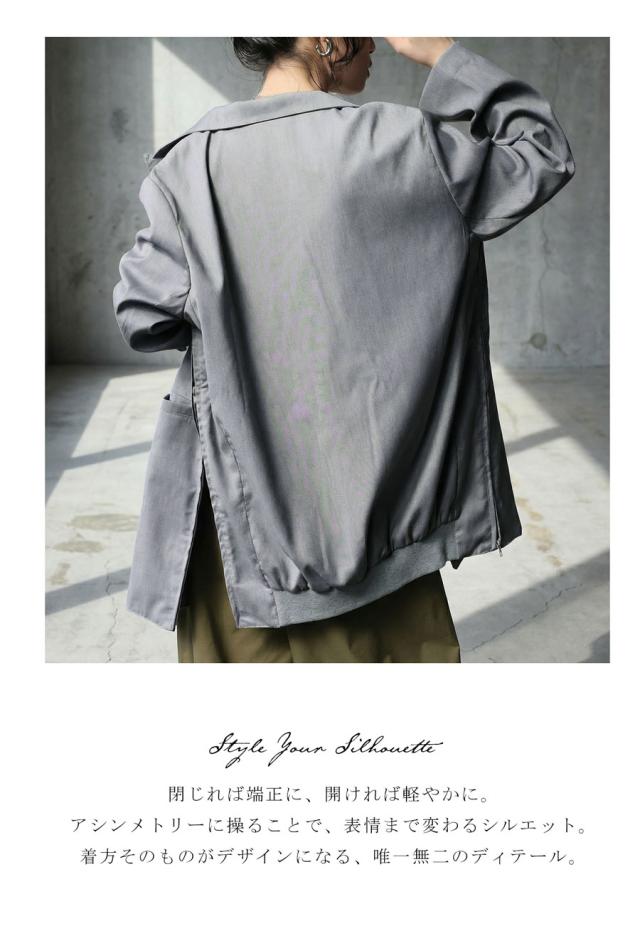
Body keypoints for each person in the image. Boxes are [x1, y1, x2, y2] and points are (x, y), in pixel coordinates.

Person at [113, 37, 575, 664]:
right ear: (324, 34)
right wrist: (441, 52)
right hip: (385, 516)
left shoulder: (190, 165)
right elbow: (541, 152)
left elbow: (143, 315)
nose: (379, 39)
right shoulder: (412, 144)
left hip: (248, 533)